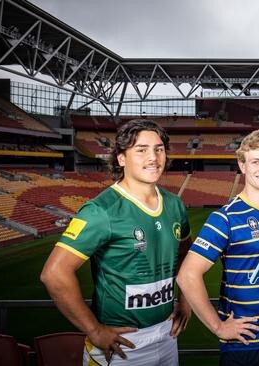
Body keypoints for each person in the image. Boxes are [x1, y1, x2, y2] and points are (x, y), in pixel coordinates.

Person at [40, 120, 192, 365]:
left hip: (167, 334)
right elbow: (54, 273)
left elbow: (185, 254)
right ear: (121, 158)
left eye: (159, 149)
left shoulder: (174, 205)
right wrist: (94, 330)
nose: (153, 157)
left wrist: (185, 298)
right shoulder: (102, 211)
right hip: (121, 344)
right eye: (141, 149)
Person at [177, 129, 259, 366]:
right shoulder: (225, 219)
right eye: (255, 161)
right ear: (242, 165)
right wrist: (218, 327)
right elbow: (187, 275)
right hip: (245, 345)